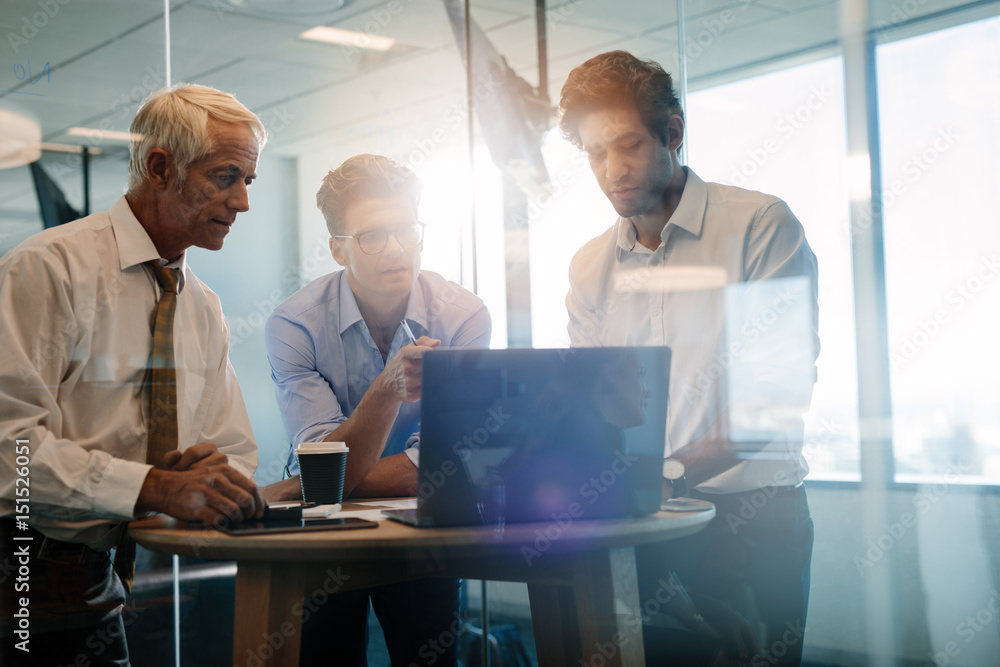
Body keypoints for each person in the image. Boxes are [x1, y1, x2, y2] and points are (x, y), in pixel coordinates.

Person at [558, 50, 820, 666]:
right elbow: (588, 400)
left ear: (673, 132)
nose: (612, 171)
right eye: (596, 154)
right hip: (641, 520)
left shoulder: (760, 225)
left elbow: (773, 397)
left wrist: (663, 475)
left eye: (628, 146)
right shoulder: (590, 265)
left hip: (752, 520)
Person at [0, 84, 266, 666]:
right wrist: (152, 485)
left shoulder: (203, 305)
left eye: (250, 180)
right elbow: (8, 452)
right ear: (159, 167)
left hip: (103, 580)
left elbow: (231, 448)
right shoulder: (49, 270)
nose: (243, 202)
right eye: (226, 177)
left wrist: (217, 480)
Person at [261, 153, 491, 666]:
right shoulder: (294, 325)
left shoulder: (464, 317)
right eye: (372, 236)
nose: (395, 249)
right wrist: (388, 388)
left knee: (428, 656)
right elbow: (329, 472)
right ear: (338, 249)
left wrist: (305, 483)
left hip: (419, 525)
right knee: (326, 657)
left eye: (406, 229)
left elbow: (438, 467)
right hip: (323, 529)